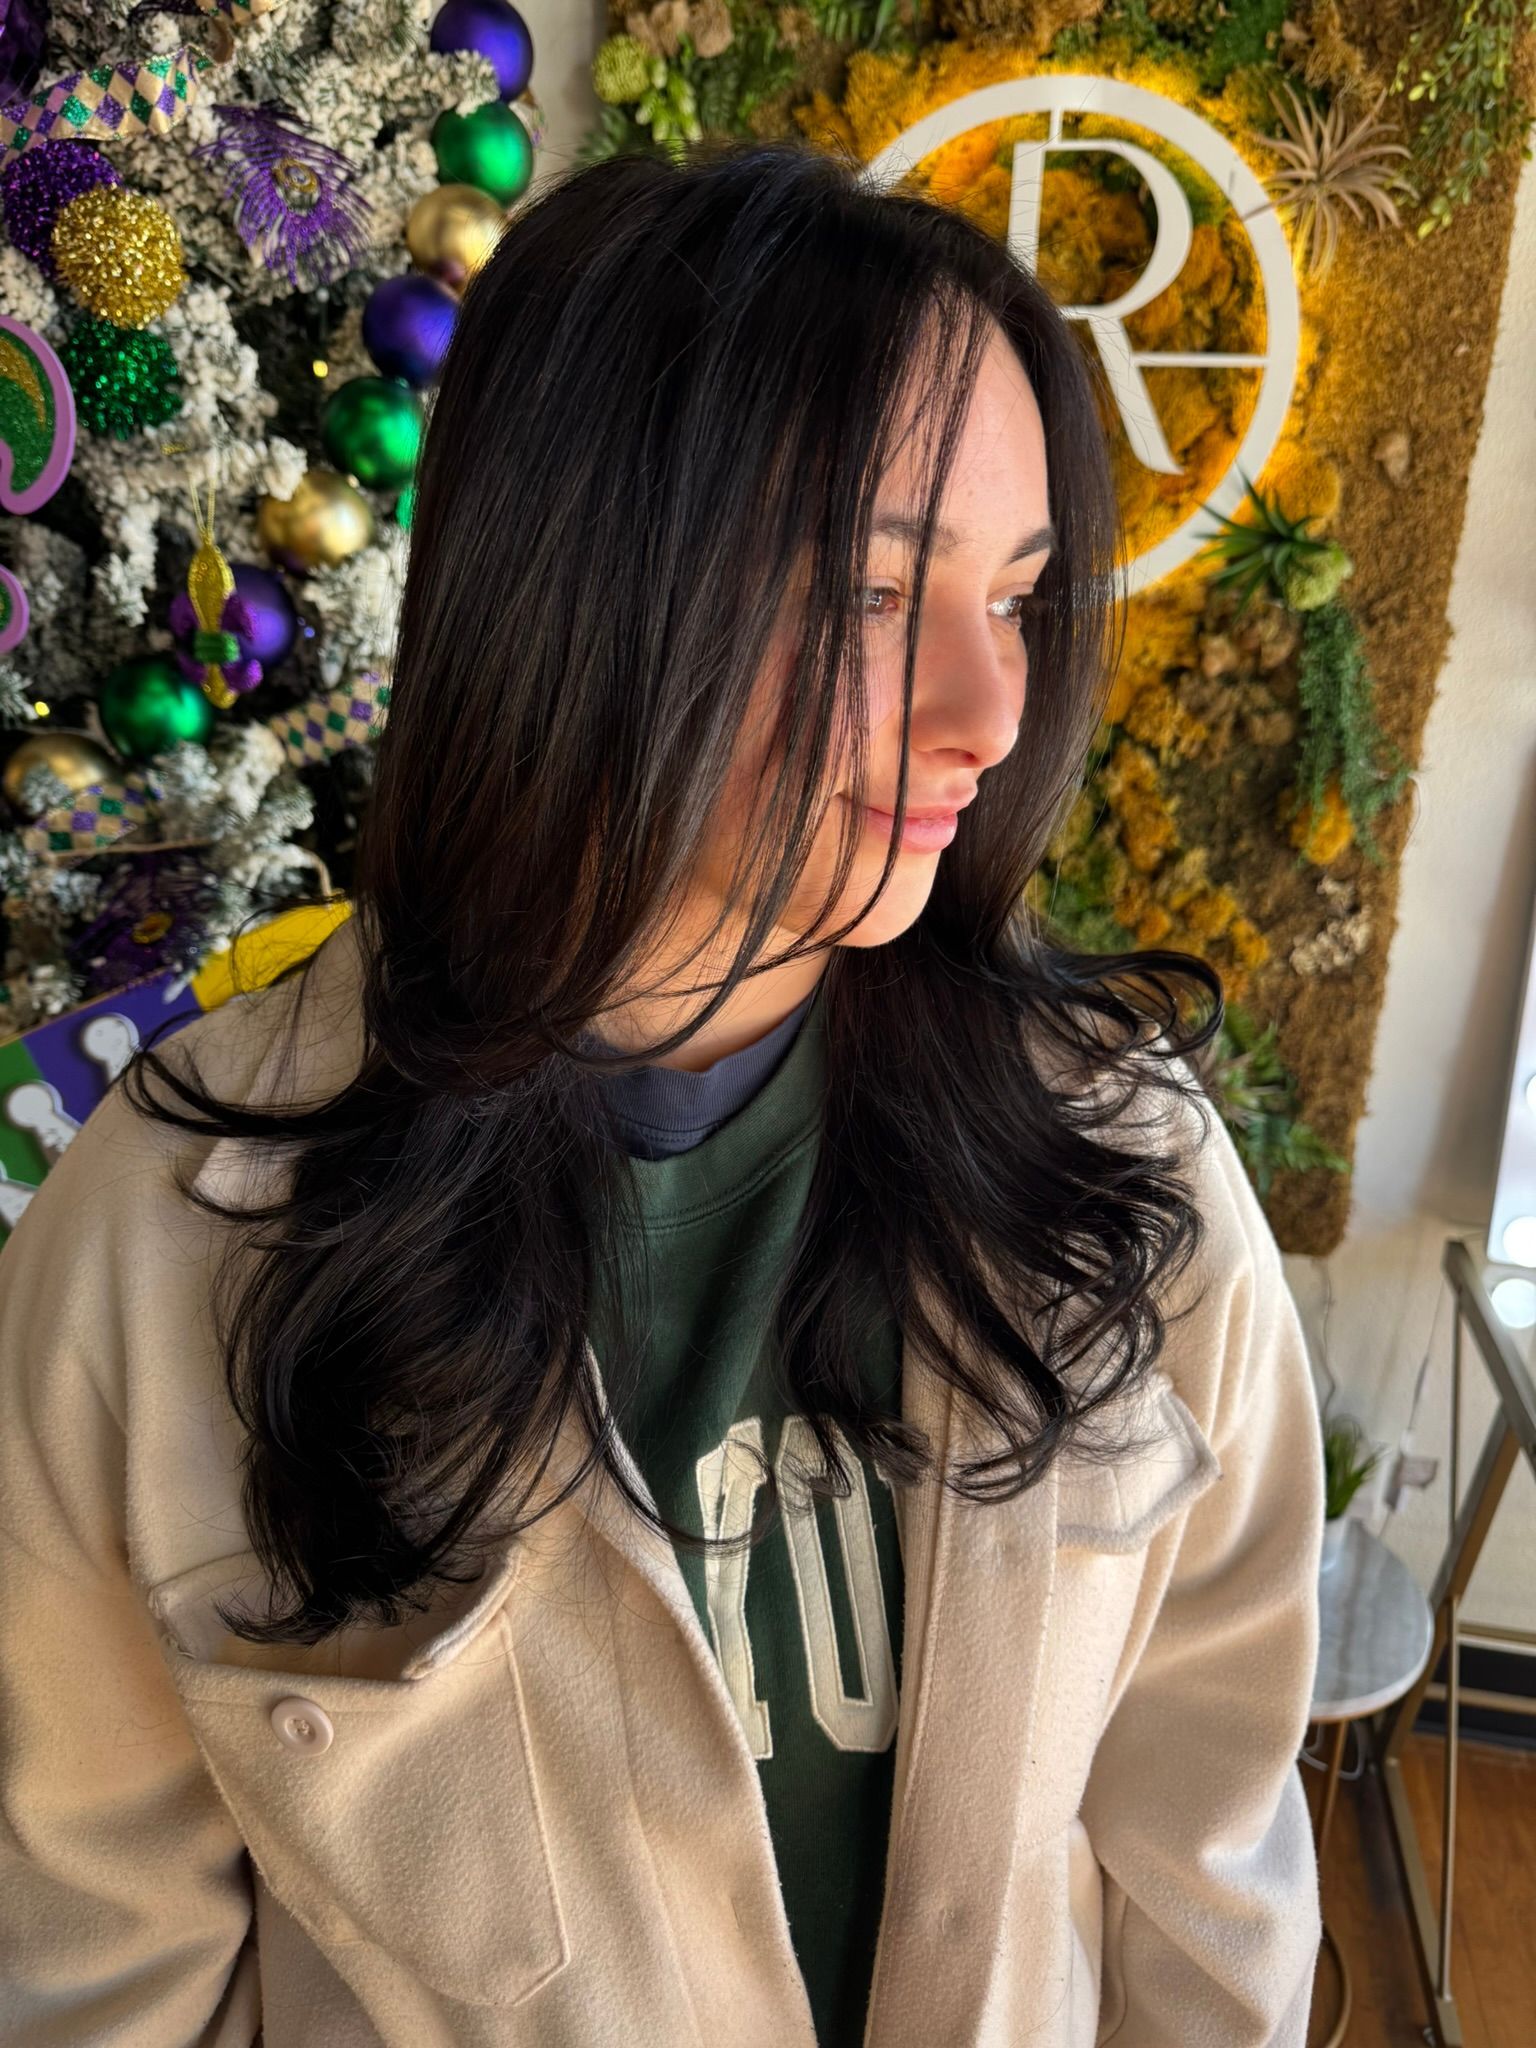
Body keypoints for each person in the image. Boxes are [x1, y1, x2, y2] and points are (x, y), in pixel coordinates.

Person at [0, 139, 1323, 2047]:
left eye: (1018, 597)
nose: (991, 712)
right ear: (578, 589)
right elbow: (91, 1979)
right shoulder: (160, 1256)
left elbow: (1203, 1859)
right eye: (878, 595)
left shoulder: (1126, 1177)